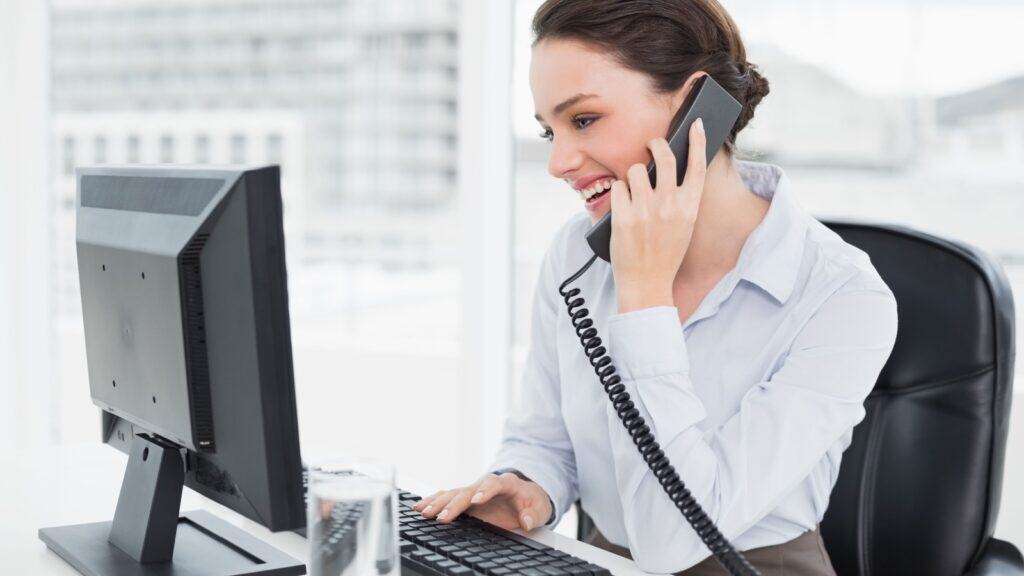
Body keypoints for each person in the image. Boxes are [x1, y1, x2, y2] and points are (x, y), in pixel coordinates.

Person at [413, 0, 898, 573]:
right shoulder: (577, 255)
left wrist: (644, 295)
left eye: (584, 120)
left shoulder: (843, 298)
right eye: (550, 131)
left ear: (697, 109)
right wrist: (527, 486)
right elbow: (544, 436)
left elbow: (677, 537)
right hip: (599, 559)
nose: (559, 162)